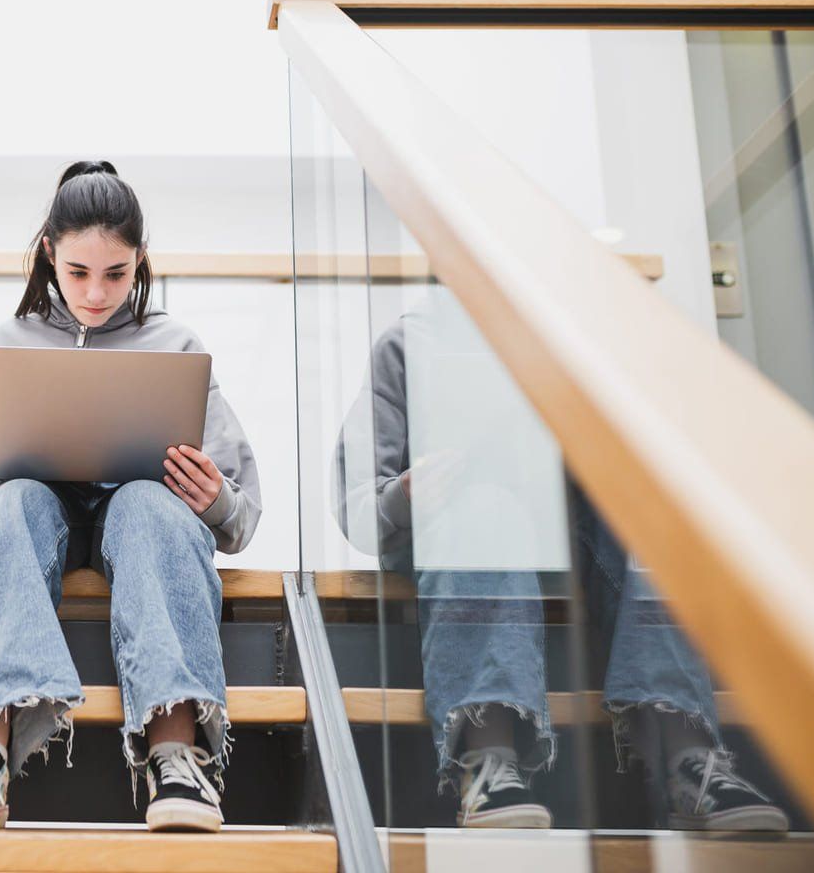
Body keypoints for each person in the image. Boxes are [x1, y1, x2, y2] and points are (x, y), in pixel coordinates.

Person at [333, 312, 787, 833]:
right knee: (487, 505)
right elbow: (358, 503)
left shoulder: (584, 338)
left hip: (567, 535)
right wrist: (408, 491)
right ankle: (487, 760)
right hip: (459, 530)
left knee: (647, 510)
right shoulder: (411, 341)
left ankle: (689, 760)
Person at [0, 161, 262, 834]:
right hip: (36, 516)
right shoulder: (10, 342)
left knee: (147, 504)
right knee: (15, 502)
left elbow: (242, 514)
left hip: (139, 523)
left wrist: (213, 497)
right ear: (49, 254)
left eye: (117, 274)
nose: (97, 294)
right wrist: (8, 465)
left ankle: (175, 754)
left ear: (141, 262)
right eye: (78, 273)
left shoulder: (176, 345)